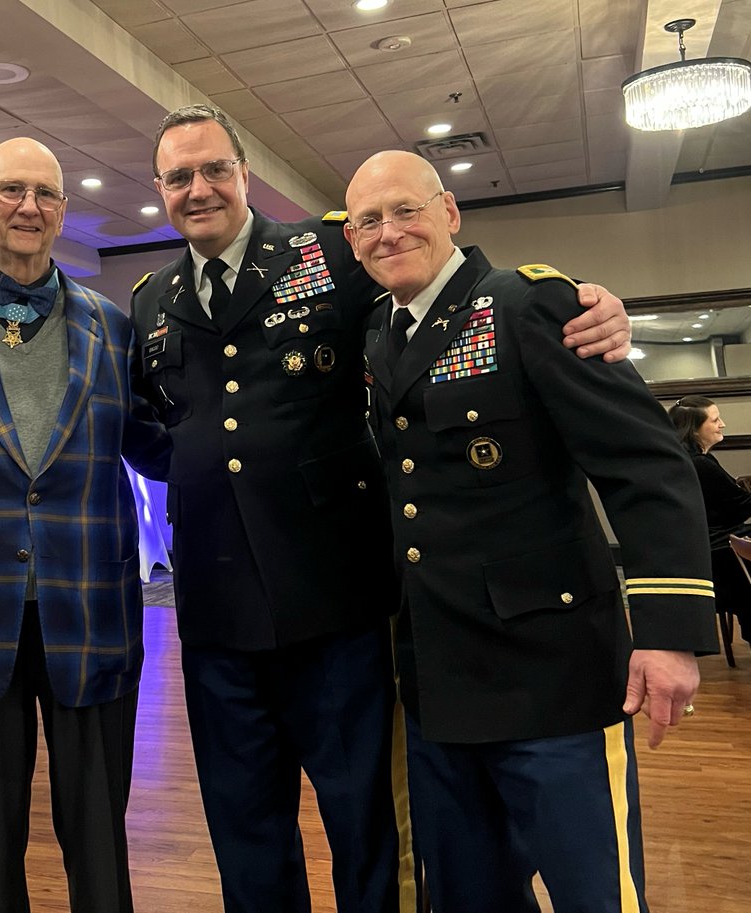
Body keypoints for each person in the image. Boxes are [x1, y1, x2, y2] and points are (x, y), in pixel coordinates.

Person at [128, 104, 635, 913]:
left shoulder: (323, 249)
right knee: (243, 825)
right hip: (218, 611)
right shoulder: (150, 299)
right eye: (180, 176)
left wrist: (579, 308)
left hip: (335, 600)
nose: (200, 188)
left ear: (244, 173)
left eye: (215, 168)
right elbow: (155, 428)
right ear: (159, 189)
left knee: (367, 825)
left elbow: (436, 290)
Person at [345, 149, 718, 912]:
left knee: (595, 895)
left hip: (556, 681)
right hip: (439, 686)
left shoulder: (527, 303)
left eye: (405, 210)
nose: (387, 232)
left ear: (449, 213)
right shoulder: (379, 331)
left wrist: (669, 632)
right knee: (469, 896)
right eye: (368, 221)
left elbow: (646, 466)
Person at [0, 137, 170, 913]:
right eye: (10, 190)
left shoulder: (113, 329)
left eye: (45, 194)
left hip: (92, 615)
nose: (28, 207)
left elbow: (163, 443)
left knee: (100, 840)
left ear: (63, 213)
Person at [670, 395, 751, 643]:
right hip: (719, 555)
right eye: (715, 420)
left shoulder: (689, 460)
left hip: (707, 547)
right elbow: (738, 508)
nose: (722, 424)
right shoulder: (700, 464)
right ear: (694, 429)